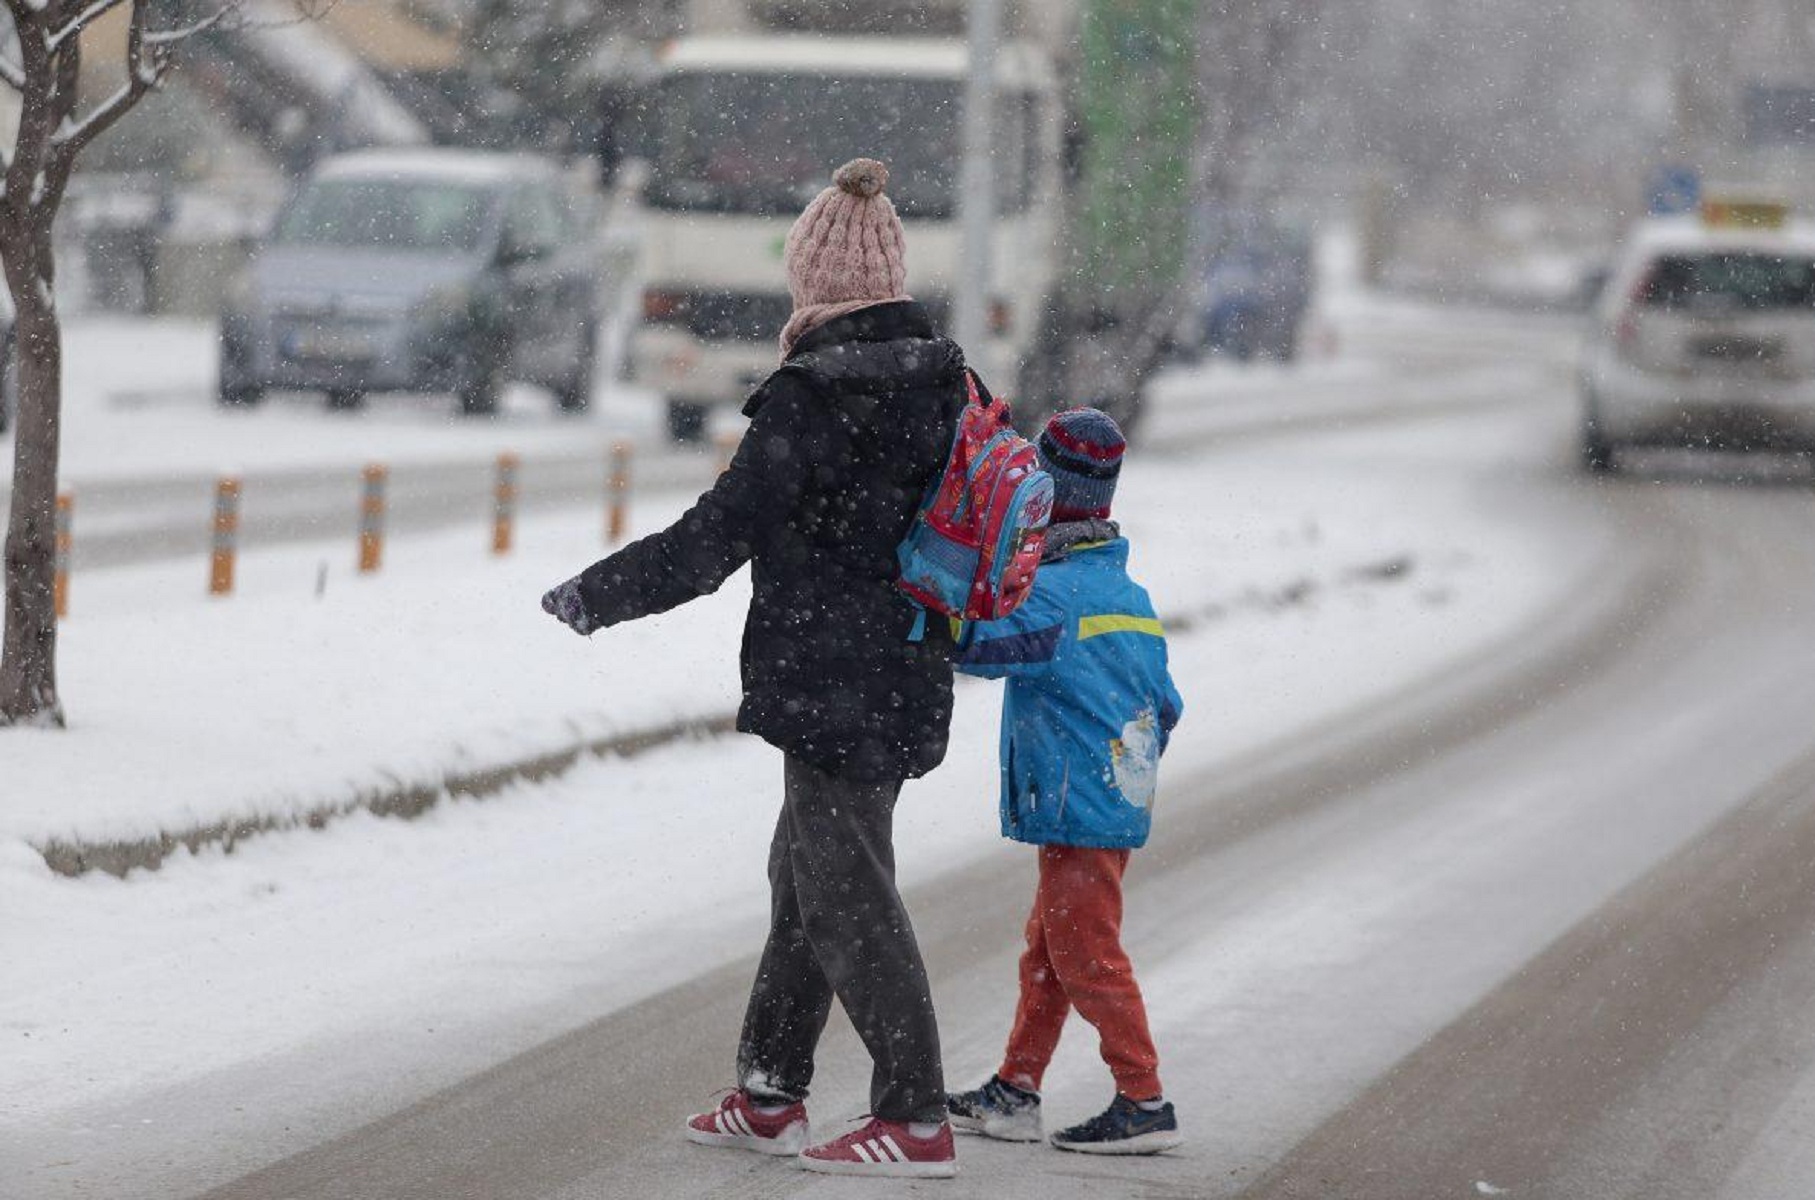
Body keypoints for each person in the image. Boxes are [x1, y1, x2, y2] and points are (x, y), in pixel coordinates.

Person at [540, 158, 965, 1179]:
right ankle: (773, 1091)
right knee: (808, 878)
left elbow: (714, 538)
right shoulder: (945, 380)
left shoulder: (815, 397)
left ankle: (915, 1115)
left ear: (813, 280)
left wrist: (599, 594)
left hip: (831, 675)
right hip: (906, 666)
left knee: (845, 893)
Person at [943, 408, 1186, 1155]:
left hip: (1079, 807)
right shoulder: (1125, 594)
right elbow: (1166, 704)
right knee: (1050, 954)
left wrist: (922, 589)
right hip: (1106, 799)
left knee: (1086, 956)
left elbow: (975, 644)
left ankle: (1142, 1099)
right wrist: (1124, 763)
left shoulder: (1052, 599)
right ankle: (1016, 1089)